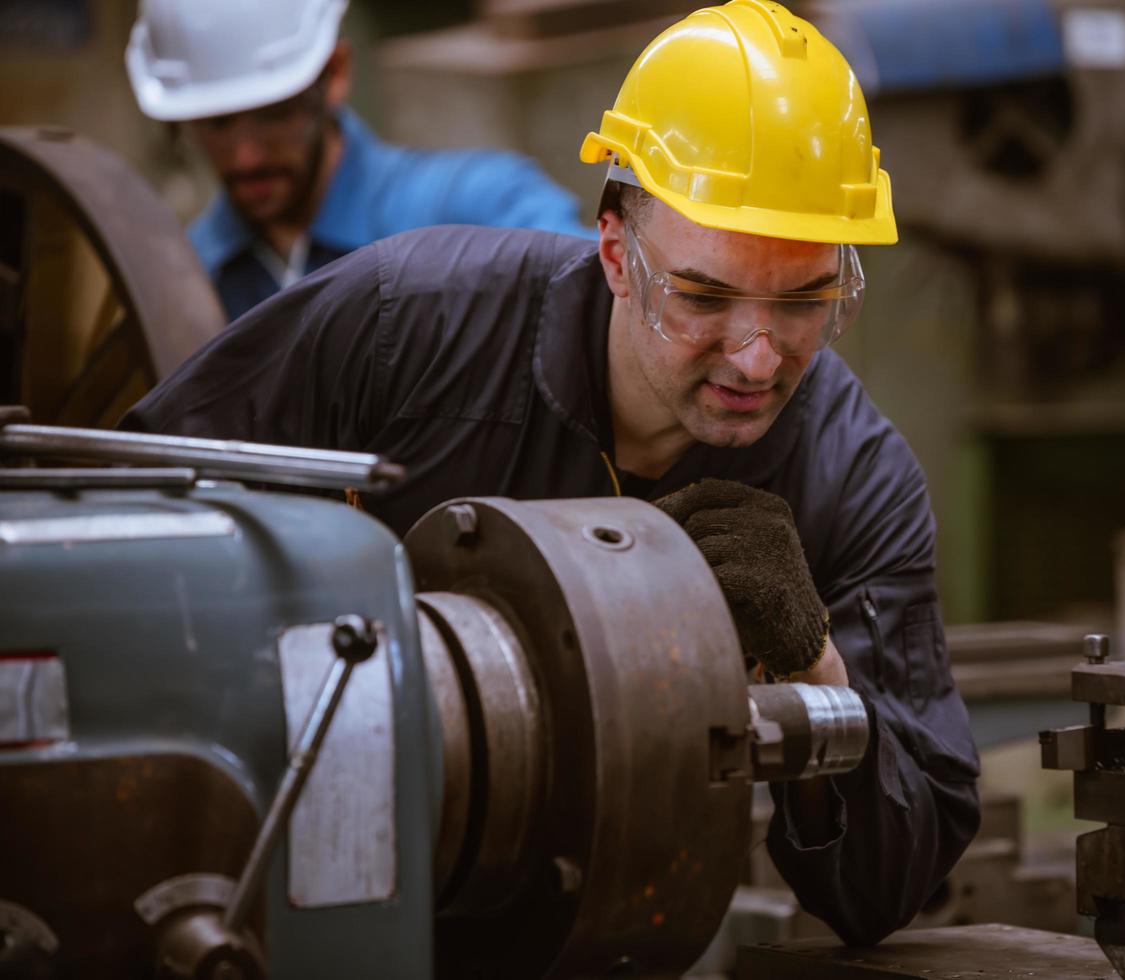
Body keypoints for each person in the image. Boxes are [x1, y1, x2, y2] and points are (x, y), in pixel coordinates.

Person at [124, 0, 980, 946]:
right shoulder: (403, 329)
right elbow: (130, 525)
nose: (757, 358)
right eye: (703, 296)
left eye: (806, 303)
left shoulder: (851, 476)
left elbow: (898, 875)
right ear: (617, 251)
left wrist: (816, 669)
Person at [125, 0, 591, 322]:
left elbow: (595, 300)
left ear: (335, 75)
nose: (246, 157)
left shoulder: (483, 206)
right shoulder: (190, 277)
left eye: (273, 115)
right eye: (216, 124)